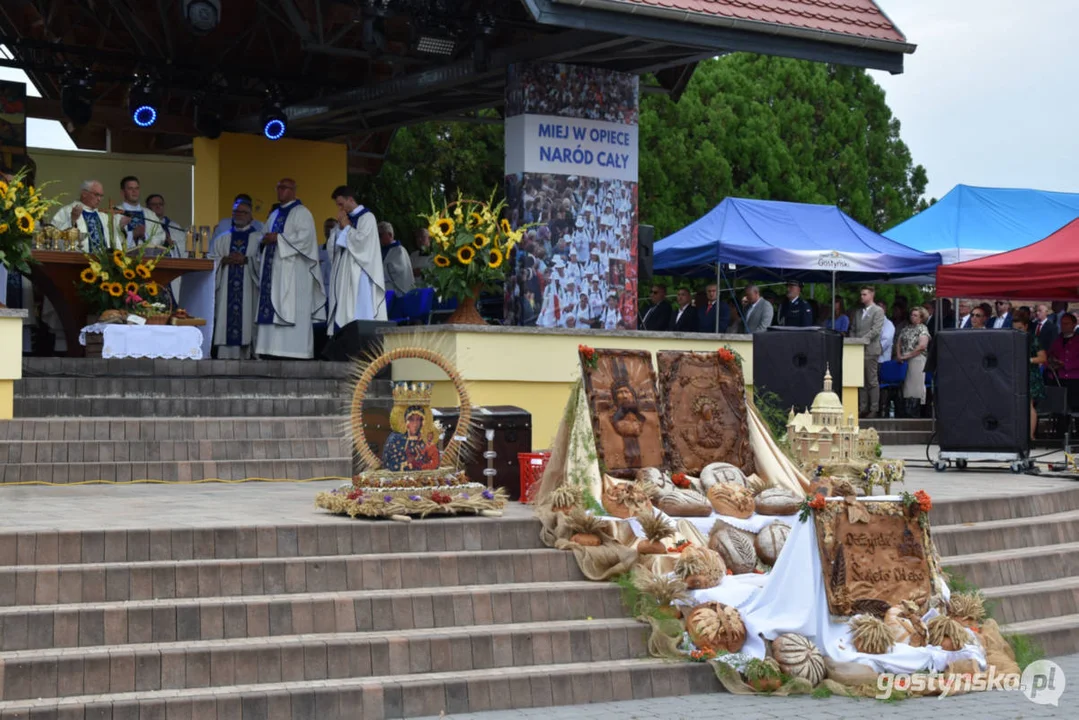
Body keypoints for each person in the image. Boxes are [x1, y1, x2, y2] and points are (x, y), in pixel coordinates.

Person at [252, 178, 327, 360]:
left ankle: (294, 352)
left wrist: (278, 238)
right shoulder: (275, 213)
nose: (280, 191)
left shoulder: (302, 213)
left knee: (291, 308)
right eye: (278, 187)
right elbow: (262, 236)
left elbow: (305, 239)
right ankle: (269, 349)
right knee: (272, 309)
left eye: (284, 188)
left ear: (293, 190)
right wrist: (264, 239)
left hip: (294, 274)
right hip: (273, 272)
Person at [327, 186, 387, 333]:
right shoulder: (344, 220)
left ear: (351, 199)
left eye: (341, 204)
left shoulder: (367, 217)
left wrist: (346, 228)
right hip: (343, 273)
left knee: (360, 309)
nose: (340, 208)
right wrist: (340, 229)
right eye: (337, 205)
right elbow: (333, 245)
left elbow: (363, 244)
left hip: (360, 274)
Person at [209, 199, 261, 359]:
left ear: (251, 216)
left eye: (243, 212)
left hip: (248, 287)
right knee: (226, 317)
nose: (239, 215)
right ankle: (224, 354)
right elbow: (211, 259)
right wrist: (223, 260)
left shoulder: (258, 238)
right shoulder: (222, 238)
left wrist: (247, 260)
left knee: (247, 319)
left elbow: (263, 262)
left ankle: (248, 352)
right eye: (236, 212)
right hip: (226, 287)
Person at [51, 180, 115, 252]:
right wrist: (73, 220)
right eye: (96, 195)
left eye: (101, 196)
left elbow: (112, 241)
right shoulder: (67, 211)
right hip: (77, 259)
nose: (99, 199)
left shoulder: (102, 216)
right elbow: (56, 237)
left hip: (102, 261)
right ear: (84, 194)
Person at [850, 286, 885, 417]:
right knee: (861, 380)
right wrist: (853, 340)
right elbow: (853, 328)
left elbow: (876, 330)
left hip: (870, 349)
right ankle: (863, 407)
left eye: (864, 294)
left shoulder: (878, 311)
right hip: (858, 349)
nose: (862, 297)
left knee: (872, 380)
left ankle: (874, 408)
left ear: (872, 295)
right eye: (861, 294)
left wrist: (862, 340)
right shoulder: (859, 312)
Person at [145, 194, 187, 302]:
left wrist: (173, 244)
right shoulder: (145, 225)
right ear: (147, 207)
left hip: (171, 272)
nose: (158, 207)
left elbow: (183, 250)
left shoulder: (174, 227)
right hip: (152, 269)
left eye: (160, 204)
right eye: (154, 204)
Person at [1013, 308, 1047, 442]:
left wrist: (1028, 360)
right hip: (1016, 374)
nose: (1017, 331)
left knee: (1028, 405)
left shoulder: (1033, 339)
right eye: (1015, 328)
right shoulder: (1012, 338)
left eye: (1020, 328)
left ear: (1026, 327)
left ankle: (1030, 435)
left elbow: (1043, 358)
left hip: (1030, 375)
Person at [381, 405, 440, 472]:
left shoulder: (424, 440)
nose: (415, 424)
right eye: (411, 419)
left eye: (418, 420)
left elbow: (431, 461)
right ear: (406, 422)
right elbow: (389, 463)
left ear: (422, 422)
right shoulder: (396, 439)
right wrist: (407, 463)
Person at [896, 307, 931, 417]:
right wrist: (899, 355)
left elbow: (922, 346)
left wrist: (908, 355)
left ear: (921, 318)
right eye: (912, 315)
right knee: (906, 385)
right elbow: (899, 342)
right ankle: (905, 410)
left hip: (917, 359)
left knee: (916, 385)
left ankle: (915, 411)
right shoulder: (906, 329)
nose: (913, 317)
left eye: (916, 315)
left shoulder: (923, 329)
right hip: (904, 359)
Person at [116, 176, 163, 248]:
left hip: (148, 257)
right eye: (130, 188)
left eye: (137, 188)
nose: (134, 191)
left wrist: (145, 236)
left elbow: (161, 235)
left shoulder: (150, 214)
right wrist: (132, 234)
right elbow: (112, 238)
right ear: (122, 192)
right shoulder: (115, 213)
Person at [1049, 313, 1079, 412]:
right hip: (1059, 379)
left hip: (1075, 380)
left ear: (1074, 324)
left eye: (1067, 323)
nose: (1063, 326)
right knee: (1060, 411)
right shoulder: (1057, 340)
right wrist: (1052, 363)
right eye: (1062, 323)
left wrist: (1065, 364)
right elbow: (1050, 355)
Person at [377, 221, 415, 295]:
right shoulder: (381, 250)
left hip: (396, 290)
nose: (378, 238)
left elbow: (400, 271)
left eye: (380, 235)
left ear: (390, 234)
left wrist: (378, 271)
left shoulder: (399, 250)